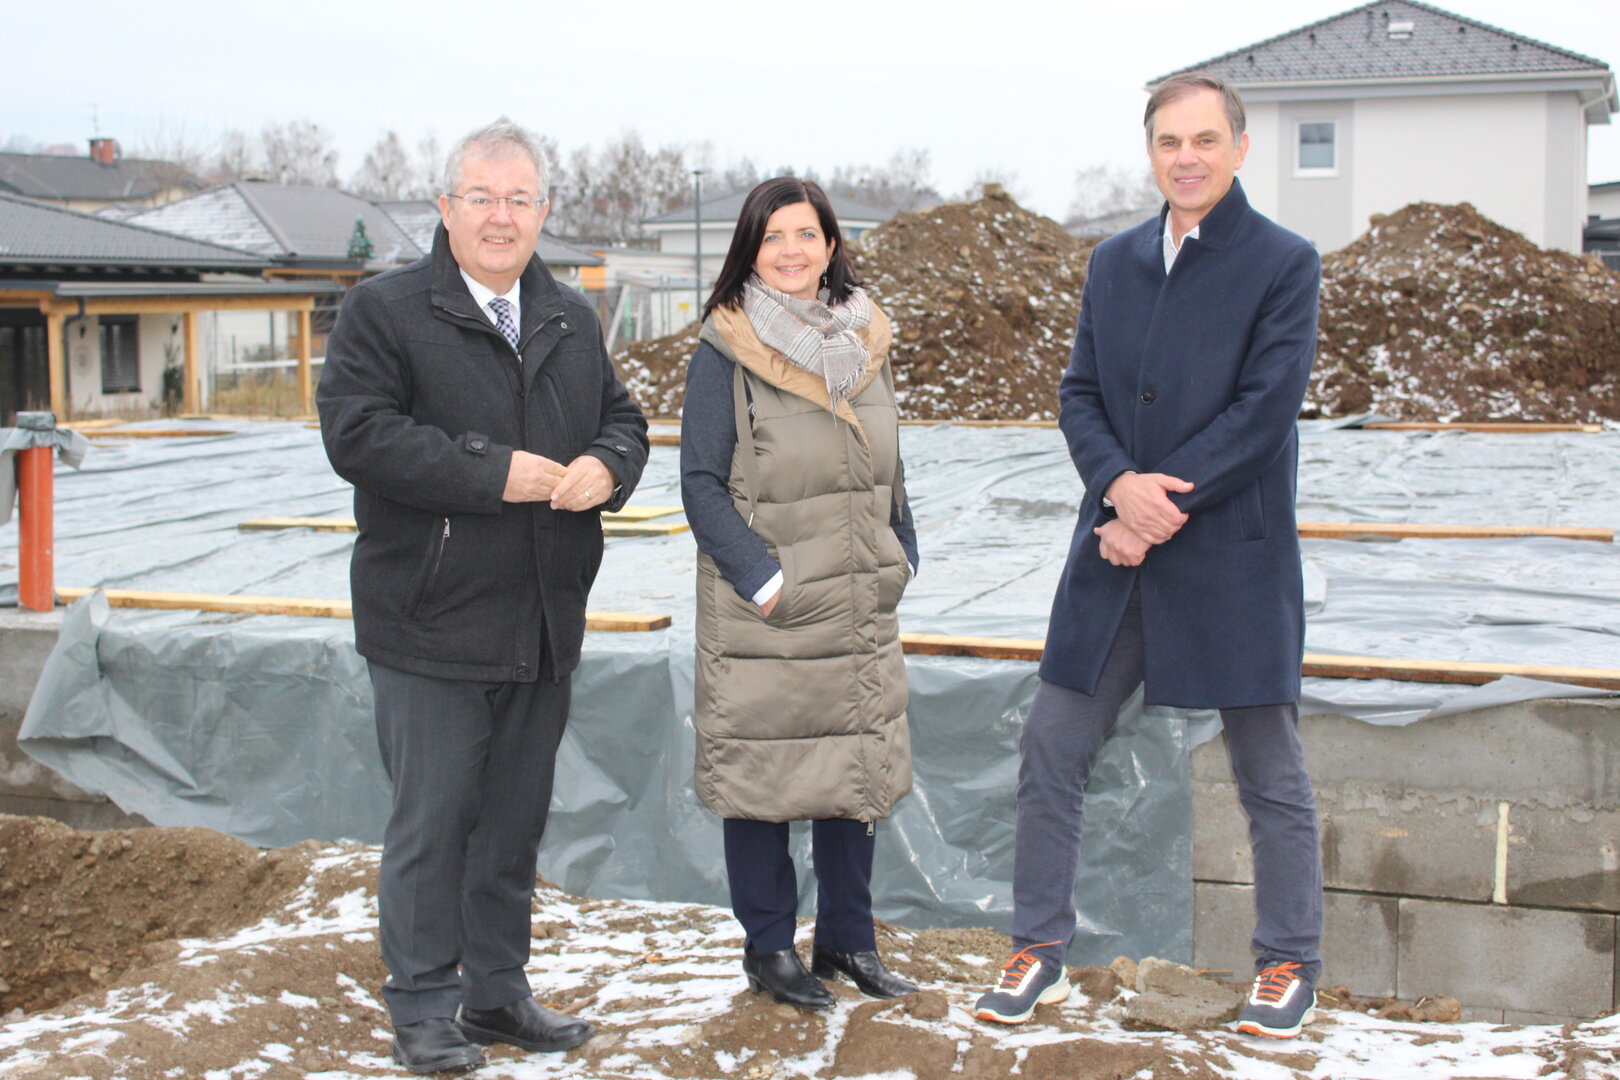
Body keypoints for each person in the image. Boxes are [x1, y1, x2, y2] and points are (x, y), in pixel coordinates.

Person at [973, 72, 1324, 1039]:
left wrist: (1154, 504)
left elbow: (1265, 412)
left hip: (1229, 557)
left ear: (1239, 149)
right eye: (1170, 142)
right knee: (1053, 744)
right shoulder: (1113, 262)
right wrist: (1117, 485)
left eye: (1205, 140)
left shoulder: (1284, 264)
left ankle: (1289, 958)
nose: (1188, 157)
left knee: (1268, 768)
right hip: (1114, 551)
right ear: (1152, 153)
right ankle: (1037, 946)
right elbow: (1078, 392)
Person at [317, 117, 648, 1075]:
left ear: (544, 211)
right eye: (481, 198)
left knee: (511, 820)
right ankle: (423, 1008)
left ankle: (497, 994)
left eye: (519, 199)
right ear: (445, 208)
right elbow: (360, 435)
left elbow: (622, 419)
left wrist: (606, 465)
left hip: (541, 616)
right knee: (433, 823)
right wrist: (491, 471)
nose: (501, 218)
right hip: (430, 618)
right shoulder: (386, 311)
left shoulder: (568, 316)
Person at [679, 176, 919, 1011]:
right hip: (770, 610)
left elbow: (885, 461)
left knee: (857, 772)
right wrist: (763, 577)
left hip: (858, 594)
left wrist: (902, 550)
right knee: (765, 775)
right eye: (774, 235)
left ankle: (848, 940)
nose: (791, 250)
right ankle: (769, 949)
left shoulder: (866, 341)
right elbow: (700, 483)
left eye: (806, 234)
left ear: (830, 245)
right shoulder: (727, 350)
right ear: (751, 249)